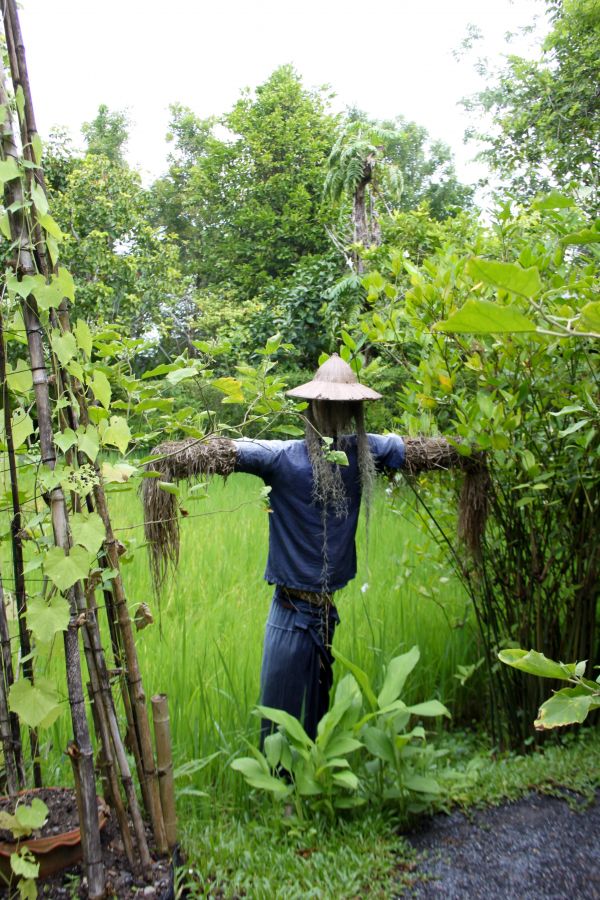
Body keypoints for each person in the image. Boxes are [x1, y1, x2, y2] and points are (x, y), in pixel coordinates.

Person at [232, 353, 405, 740]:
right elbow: (232, 448)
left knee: (317, 719)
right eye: (329, 407)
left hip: (325, 614)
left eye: (343, 408)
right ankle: (281, 779)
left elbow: (404, 447)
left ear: (354, 411)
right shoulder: (283, 458)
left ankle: (313, 773)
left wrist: (470, 451)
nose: (335, 416)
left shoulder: (363, 452)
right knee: (278, 725)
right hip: (290, 613)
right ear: (314, 407)